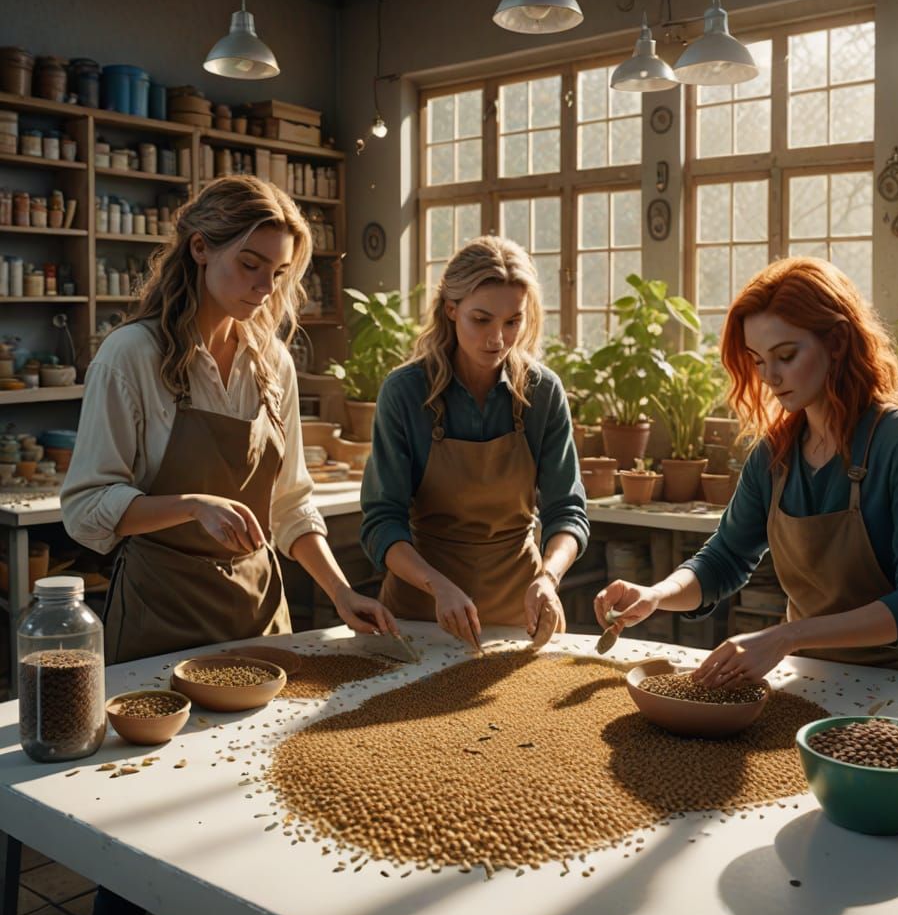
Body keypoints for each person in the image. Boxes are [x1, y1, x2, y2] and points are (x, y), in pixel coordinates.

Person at [62, 175, 397, 667]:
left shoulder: (273, 362)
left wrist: (342, 593)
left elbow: (290, 504)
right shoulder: (131, 356)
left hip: (258, 617)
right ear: (200, 248)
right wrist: (193, 505)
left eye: (279, 272)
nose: (265, 288)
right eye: (250, 265)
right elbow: (86, 507)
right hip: (162, 619)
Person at [595, 257, 898, 682]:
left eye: (785, 355)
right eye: (757, 360)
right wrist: (657, 594)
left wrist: (785, 636)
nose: (769, 376)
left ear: (838, 341)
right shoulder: (775, 455)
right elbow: (725, 558)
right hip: (808, 680)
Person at [360, 236, 589, 649]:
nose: (497, 339)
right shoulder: (405, 393)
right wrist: (437, 587)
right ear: (451, 310)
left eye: (512, 321)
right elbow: (382, 521)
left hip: (522, 611)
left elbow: (567, 511)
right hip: (422, 610)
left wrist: (548, 578)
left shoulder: (543, 392)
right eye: (481, 320)